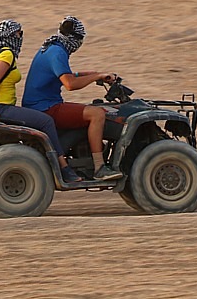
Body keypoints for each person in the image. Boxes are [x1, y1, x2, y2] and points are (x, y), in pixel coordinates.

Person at [21, 16, 123, 181]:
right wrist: (94, 77)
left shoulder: (50, 47)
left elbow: (66, 74)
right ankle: (100, 168)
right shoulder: (58, 52)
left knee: (87, 110)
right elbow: (70, 84)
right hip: (46, 107)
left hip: (40, 104)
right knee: (97, 114)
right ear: (75, 38)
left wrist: (95, 74)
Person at [0, 19, 82, 183]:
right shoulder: (7, 54)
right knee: (47, 122)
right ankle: (64, 168)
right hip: (2, 108)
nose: (21, 37)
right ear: (9, 35)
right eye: (18, 33)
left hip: (0, 107)